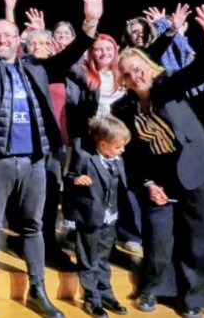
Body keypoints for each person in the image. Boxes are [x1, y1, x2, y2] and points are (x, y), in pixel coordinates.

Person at [0, 0, 104, 318]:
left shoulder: (38, 67)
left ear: (19, 41)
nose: (3, 39)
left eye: (10, 34)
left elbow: (71, 53)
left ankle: (38, 291)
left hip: (36, 162)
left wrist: (90, 24)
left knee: (34, 227)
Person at [111, 5, 204, 318]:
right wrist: (148, 184)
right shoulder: (122, 110)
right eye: (127, 73)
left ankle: (193, 297)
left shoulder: (169, 84)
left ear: (150, 66)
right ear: (121, 80)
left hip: (202, 169)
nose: (135, 75)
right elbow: (132, 157)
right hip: (161, 176)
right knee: (159, 235)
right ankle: (154, 288)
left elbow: (201, 68)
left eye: (139, 68)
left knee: (200, 238)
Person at [64, 115, 132, 318]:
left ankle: (106, 294)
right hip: (90, 217)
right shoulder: (86, 158)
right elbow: (68, 177)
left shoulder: (117, 160)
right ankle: (91, 298)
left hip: (110, 218)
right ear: (102, 144)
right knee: (88, 259)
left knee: (103, 259)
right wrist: (77, 179)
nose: (122, 151)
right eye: (118, 147)